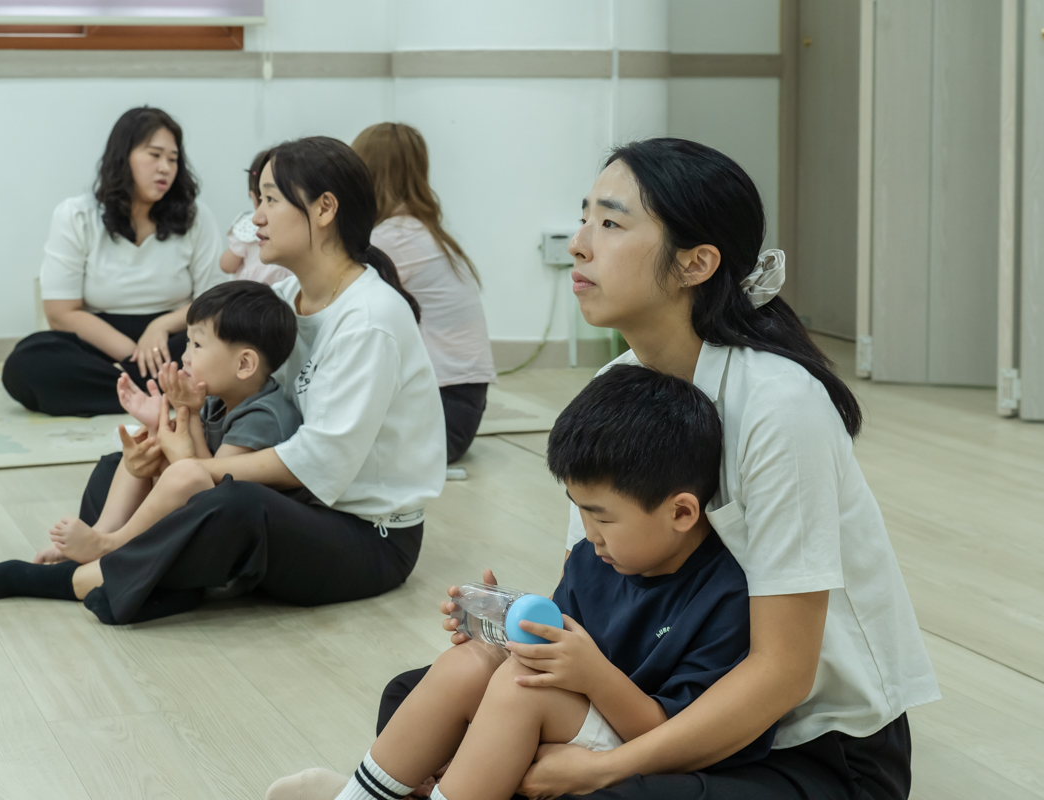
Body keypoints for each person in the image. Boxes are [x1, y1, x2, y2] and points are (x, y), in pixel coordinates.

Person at [377, 138, 939, 800]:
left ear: (696, 263)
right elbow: (604, 581)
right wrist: (524, 634)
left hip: (809, 746)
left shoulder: (779, 406)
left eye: (611, 224)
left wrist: (604, 768)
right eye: (583, 219)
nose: (579, 245)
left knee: (595, 788)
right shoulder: (615, 385)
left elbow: (783, 675)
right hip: (658, 689)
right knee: (421, 695)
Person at [0, 136, 446, 626]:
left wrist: (196, 467)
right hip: (298, 504)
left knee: (235, 504)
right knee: (126, 464)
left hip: (366, 537)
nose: (256, 218)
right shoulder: (285, 296)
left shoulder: (370, 319)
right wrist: (173, 443)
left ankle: (84, 578)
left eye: (270, 200)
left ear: (325, 209)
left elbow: (319, 460)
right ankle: (156, 579)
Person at [267, 365, 777, 800]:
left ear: (681, 512)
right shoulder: (593, 561)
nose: (590, 536)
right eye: (581, 513)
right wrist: (506, 629)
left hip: (647, 747)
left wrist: (593, 675)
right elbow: (550, 652)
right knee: (468, 665)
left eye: (603, 518)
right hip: (580, 714)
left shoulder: (726, 597)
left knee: (518, 690)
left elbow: (671, 734)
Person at [0, 281, 301, 611]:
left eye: (197, 345)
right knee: (145, 446)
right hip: (196, 521)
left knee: (186, 473)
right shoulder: (217, 398)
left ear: (244, 364)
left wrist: (186, 414)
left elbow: (217, 487)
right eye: (186, 343)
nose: (185, 357)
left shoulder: (263, 415)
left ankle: (111, 546)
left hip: (226, 548)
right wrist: (157, 424)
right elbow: (188, 457)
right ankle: (101, 534)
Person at [2, 106, 227, 417]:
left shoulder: (196, 216)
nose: (165, 168)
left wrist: (160, 327)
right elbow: (61, 312)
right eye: (154, 155)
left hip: (175, 338)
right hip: (101, 341)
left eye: (173, 159)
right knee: (27, 362)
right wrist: (134, 355)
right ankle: (161, 391)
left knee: (227, 347)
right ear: (123, 157)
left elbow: (213, 301)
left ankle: (127, 390)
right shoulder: (76, 215)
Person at [351, 123, 496, 464]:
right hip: (455, 406)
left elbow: (338, 301)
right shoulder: (413, 229)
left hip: (445, 413)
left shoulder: (394, 238)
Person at [220, 149, 294, 285]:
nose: (258, 220)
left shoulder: (247, 224)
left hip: (250, 291)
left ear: (252, 196)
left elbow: (227, 265)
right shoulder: (291, 225)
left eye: (270, 198)